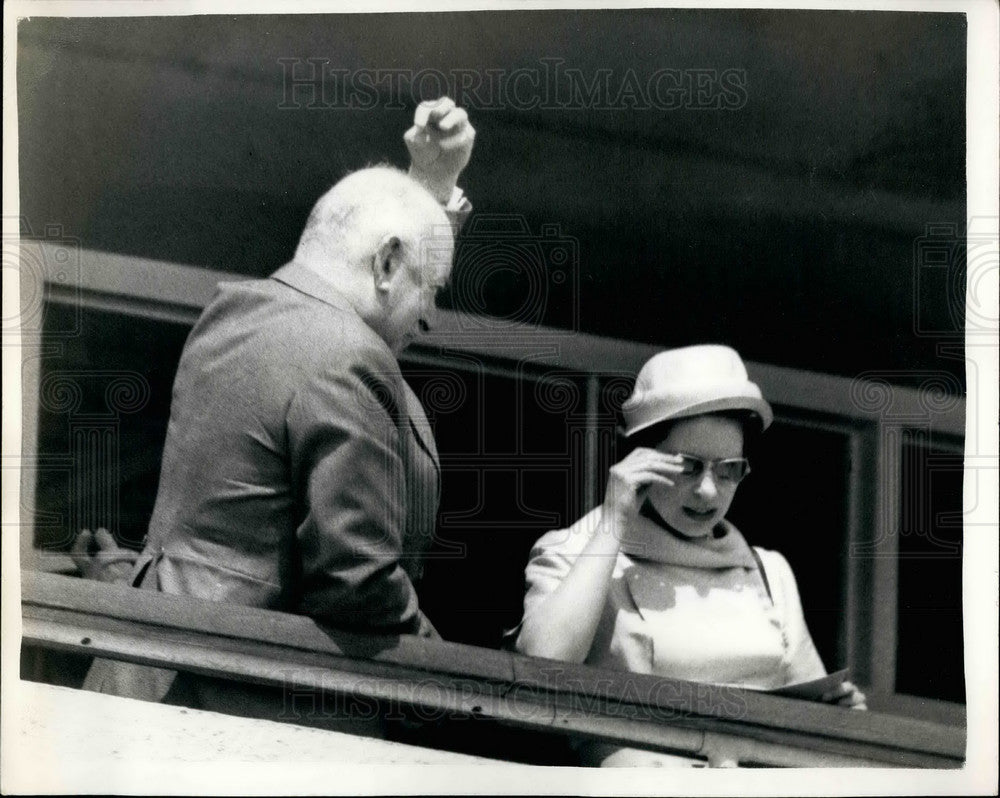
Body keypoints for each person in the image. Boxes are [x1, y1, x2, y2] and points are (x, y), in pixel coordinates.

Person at [79, 98, 475, 713]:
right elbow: (357, 584)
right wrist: (459, 680)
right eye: (432, 290)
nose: (429, 316)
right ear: (390, 262)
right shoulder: (346, 356)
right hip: (237, 707)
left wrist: (432, 189)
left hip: (151, 678)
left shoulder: (236, 313)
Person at [513, 344, 866, 767]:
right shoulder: (577, 551)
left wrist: (838, 715)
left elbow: (807, 715)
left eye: (728, 469)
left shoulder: (768, 572)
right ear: (642, 458)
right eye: (687, 466)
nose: (708, 491)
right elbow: (538, 672)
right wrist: (613, 522)